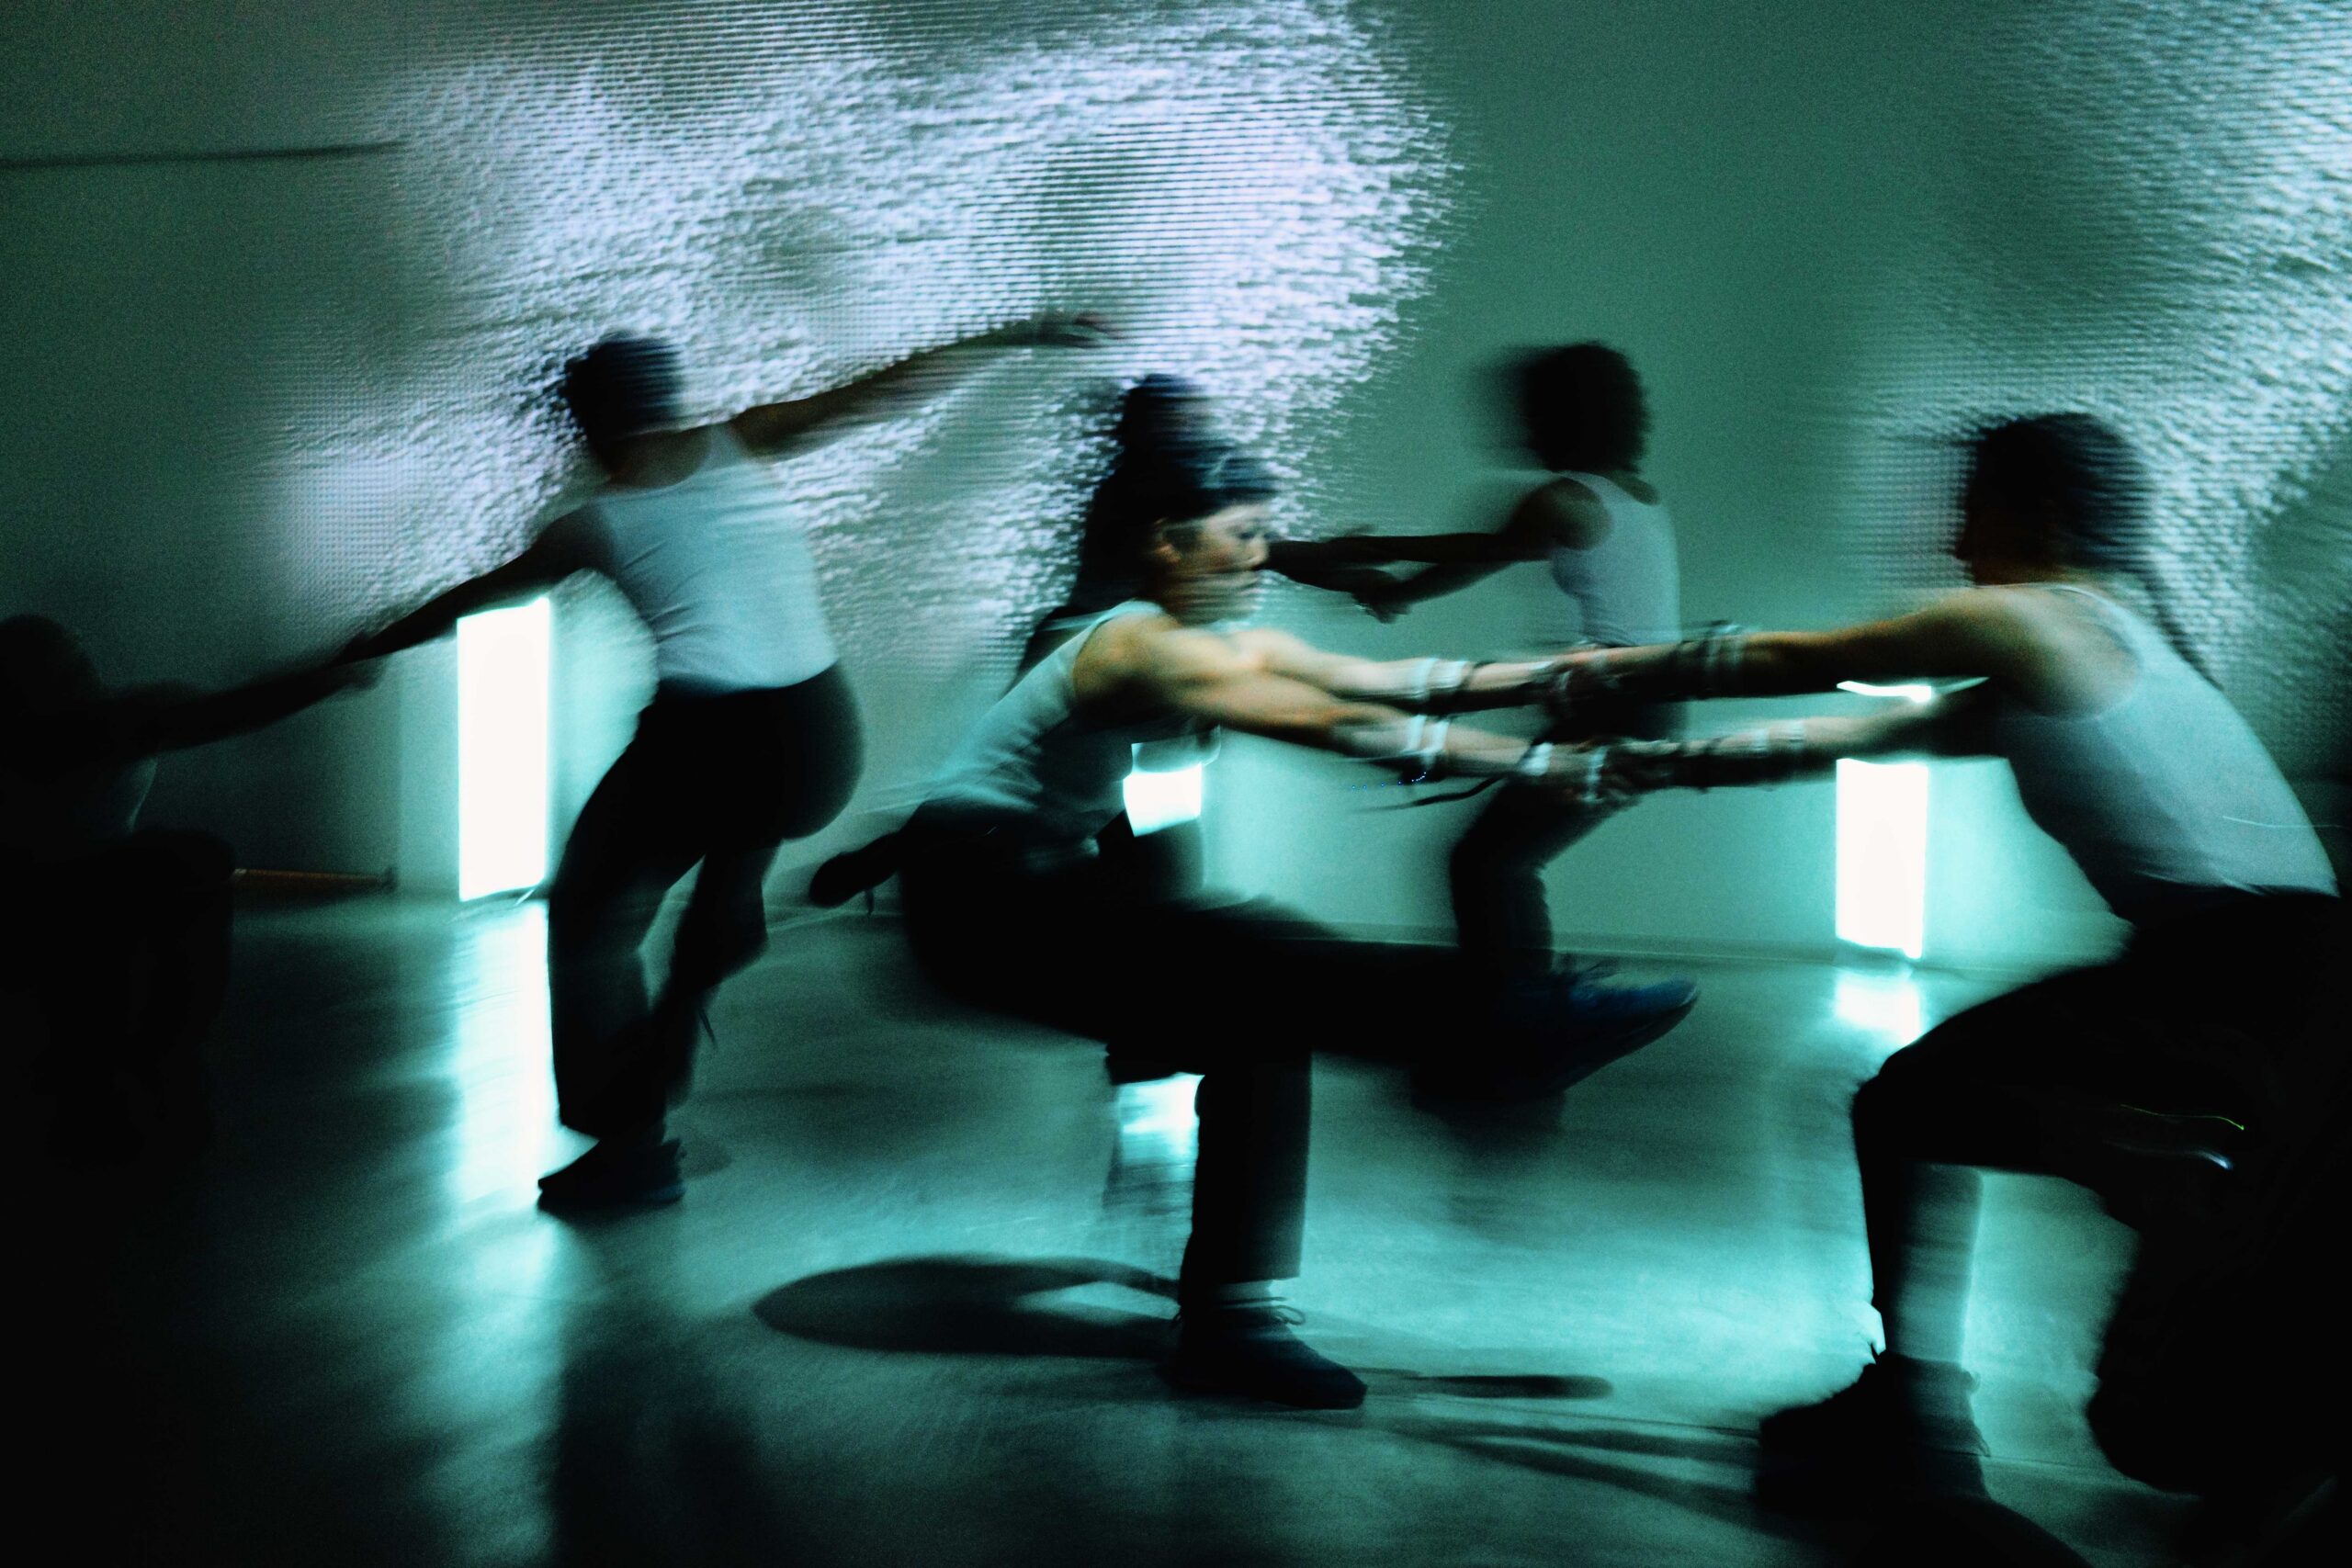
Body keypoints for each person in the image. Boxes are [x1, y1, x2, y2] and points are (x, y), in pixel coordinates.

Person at [1534, 412, 2340, 1505]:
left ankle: (2115, 1187)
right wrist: (1658, 764)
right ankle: (2128, 1185)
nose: (1955, 543)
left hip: (2228, 970)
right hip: (2293, 982)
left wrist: (1612, 668)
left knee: (1905, 1104)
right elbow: (1840, 739)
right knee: (2146, 1418)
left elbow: (1808, 664)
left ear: (2039, 515)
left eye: (1970, 512)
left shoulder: (2030, 617)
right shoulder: (2105, 642)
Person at [892, 434, 1702, 1409]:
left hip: (1038, 890)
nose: (1262, 554)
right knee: (1253, 951)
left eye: (1266, 533)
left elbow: (1395, 681)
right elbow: (1334, 725)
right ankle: (1505, 1028)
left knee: (1258, 1010)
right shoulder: (1132, 641)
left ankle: (1232, 1320)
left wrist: (1563, 678)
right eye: (1242, 533)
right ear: (1166, 539)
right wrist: (1530, 759)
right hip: (979, 907)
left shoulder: (1205, 638)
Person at [344, 315, 1107, 1213]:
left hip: (708, 743)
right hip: (818, 736)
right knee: (721, 860)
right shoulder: (738, 442)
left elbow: (474, 599)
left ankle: (631, 1131)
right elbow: (885, 390)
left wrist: (370, 644)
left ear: (586, 423)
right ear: (666, 401)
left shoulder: (590, 525)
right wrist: (1016, 334)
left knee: (588, 917)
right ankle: (713, 936)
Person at [1277, 344, 1698, 1031]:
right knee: (1495, 860)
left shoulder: (1561, 499)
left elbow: (1480, 550)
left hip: (1618, 703)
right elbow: (1489, 553)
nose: (1515, 429)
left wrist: (1381, 562)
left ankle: (1523, 1019)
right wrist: (1396, 587)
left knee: (1485, 861)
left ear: (1559, 416)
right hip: (1647, 703)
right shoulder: (1636, 496)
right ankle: (1523, 1009)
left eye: (1526, 413)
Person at [0, 614, 367, 1156]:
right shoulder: (104, 723)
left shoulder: (99, 721)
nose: (85, 665)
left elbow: (224, 709)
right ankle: (153, 1060)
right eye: (69, 661)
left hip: (36, 894)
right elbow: (229, 711)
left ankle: (107, 1075)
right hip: (67, 893)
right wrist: (332, 674)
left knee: (136, 899)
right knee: (183, 866)